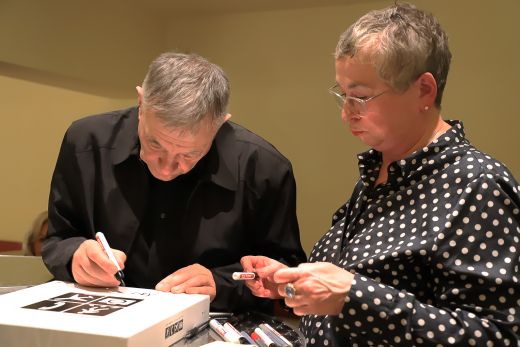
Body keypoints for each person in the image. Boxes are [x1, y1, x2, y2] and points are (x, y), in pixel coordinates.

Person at [241, 3, 520, 345]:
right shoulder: (380, 171)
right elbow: (355, 286)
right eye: (342, 96)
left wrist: (354, 297)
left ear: (424, 91)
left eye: (359, 97)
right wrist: (290, 281)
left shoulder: (477, 184)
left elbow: (499, 336)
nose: (346, 115)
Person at [42, 52, 306, 312]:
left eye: (189, 153)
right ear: (141, 103)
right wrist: (76, 256)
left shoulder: (264, 169)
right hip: (100, 314)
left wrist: (221, 283)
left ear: (220, 125)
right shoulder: (86, 143)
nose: (166, 169)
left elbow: (285, 270)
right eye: (155, 143)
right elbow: (58, 239)